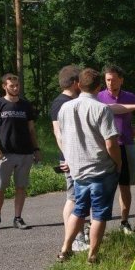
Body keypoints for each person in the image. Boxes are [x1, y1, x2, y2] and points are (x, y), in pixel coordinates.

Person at [56, 68, 121, 263]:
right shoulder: (102, 109)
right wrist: (118, 163)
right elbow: (111, 143)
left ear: (78, 85)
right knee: (99, 214)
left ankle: (65, 249)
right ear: (99, 86)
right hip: (101, 169)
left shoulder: (65, 108)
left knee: (79, 210)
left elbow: (63, 137)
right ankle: (92, 255)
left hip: (78, 170)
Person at [97, 64, 135, 234]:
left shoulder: (130, 97)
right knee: (101, 186)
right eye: (107, 80)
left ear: (121, 80)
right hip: (105, 147)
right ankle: (96, 224)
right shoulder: (99, 97)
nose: (110, 83)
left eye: (113, 80)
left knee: (125, 186)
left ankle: (124, 222)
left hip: (126, 144)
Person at [0, 73, 41, 231]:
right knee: (0, 187)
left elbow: (31, 130)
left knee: (21, 187)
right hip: (4, 154)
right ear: (4, 86)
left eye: (17, 85)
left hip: (25, 153)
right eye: (12, 86)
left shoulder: (26, 105)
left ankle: (18, 218)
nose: (15, 88)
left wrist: (36, 149)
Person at [50, 64, 89, 251]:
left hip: (76, 158)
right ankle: (74, 239)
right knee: (73, 199)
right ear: (75, 83)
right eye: (80, 81)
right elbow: (58, 133)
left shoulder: (70, 101)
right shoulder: (61, 103)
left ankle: (79, 235)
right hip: (70, 159)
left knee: (79, 198)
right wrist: (68, 158)